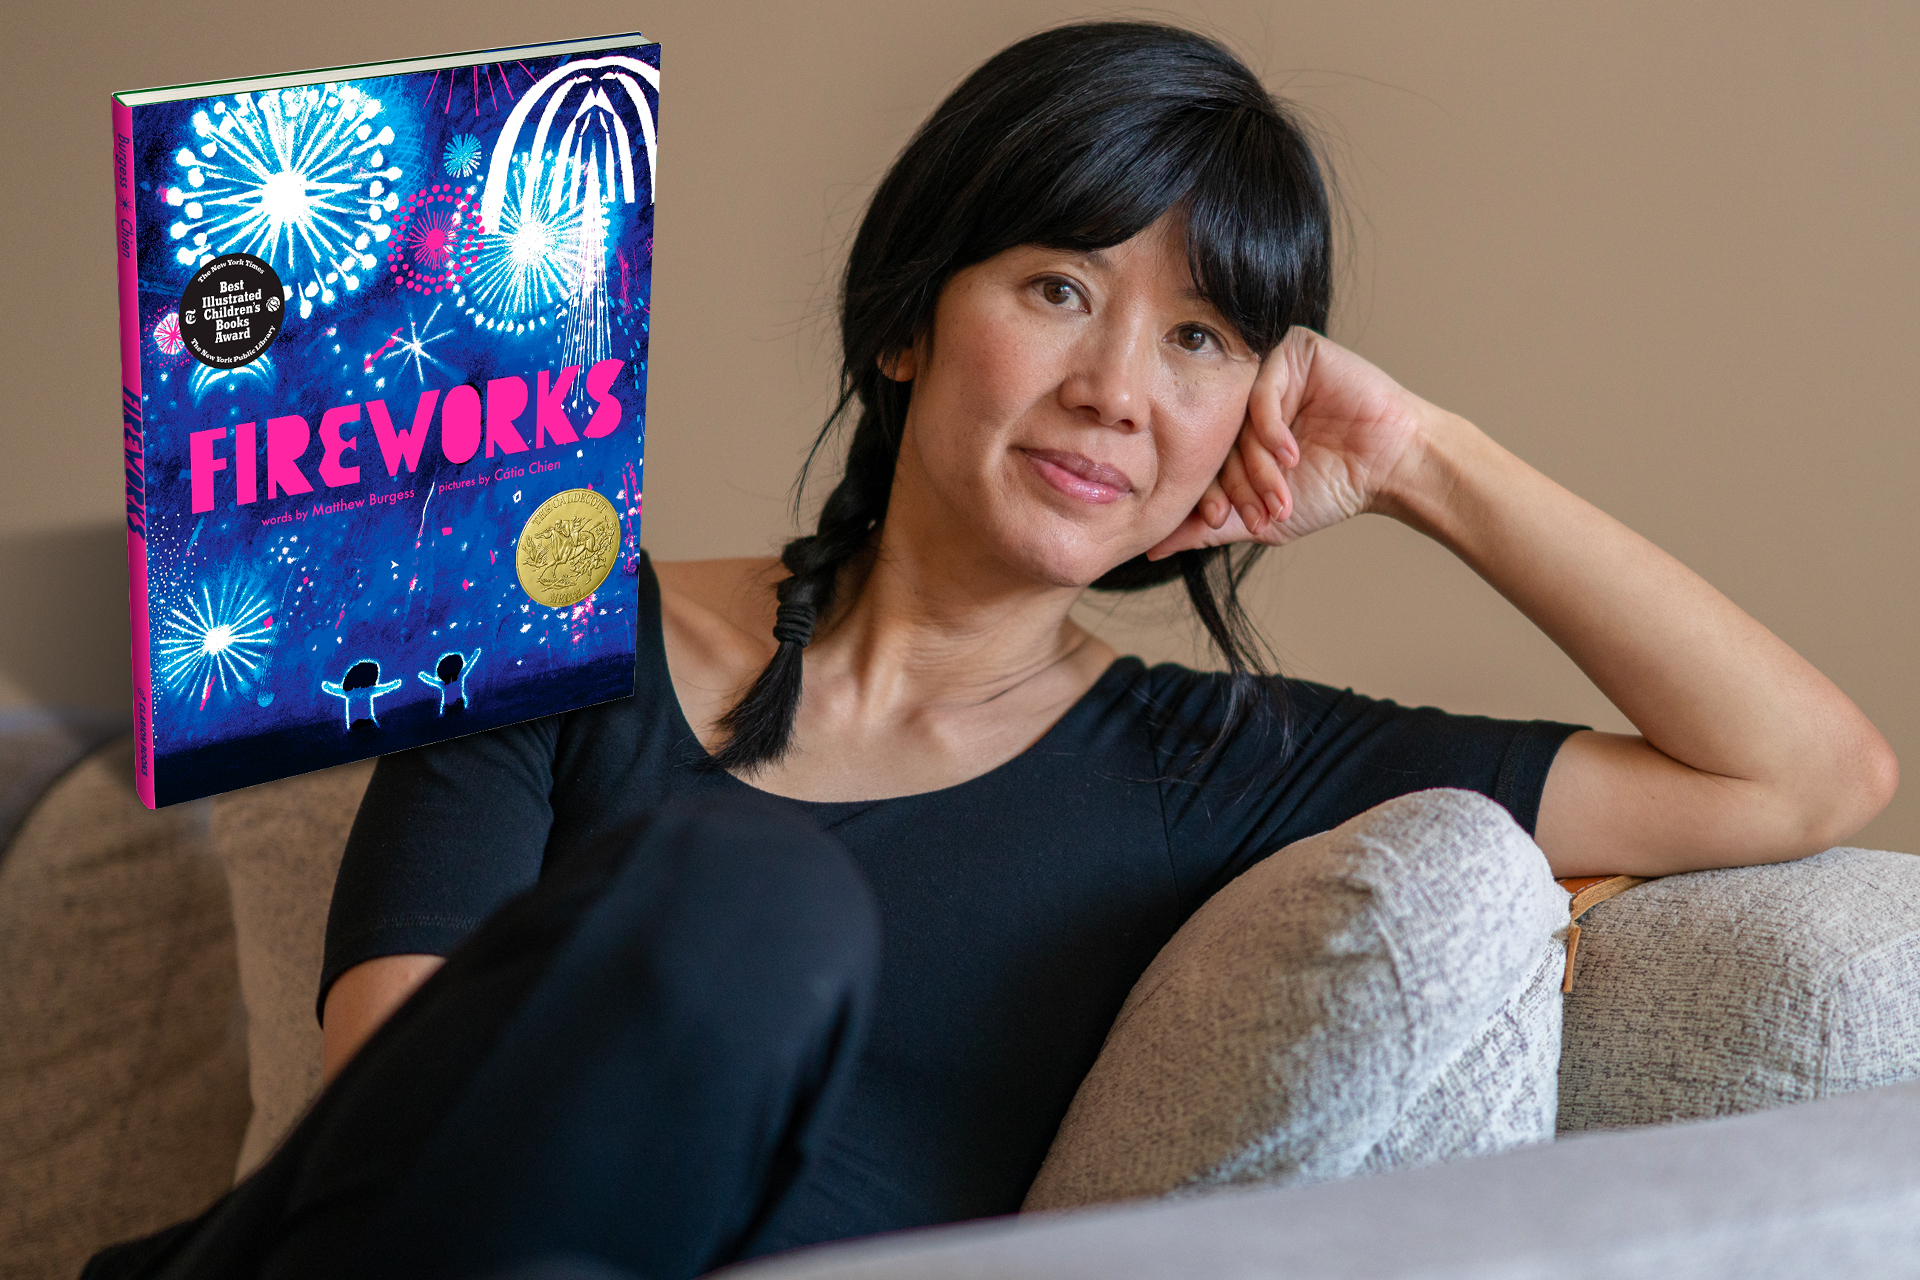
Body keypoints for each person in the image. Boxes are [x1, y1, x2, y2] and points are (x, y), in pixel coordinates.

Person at [90, 20, 1895, 1280]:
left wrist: (1427, 458)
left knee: (756, 908)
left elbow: (1809, 773)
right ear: (903, 322)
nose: (1119, 386)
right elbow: (406, 1107)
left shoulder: (1221, 768)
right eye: (1058, 288)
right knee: (748, 909)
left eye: (1205, 342)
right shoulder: (560, 609)